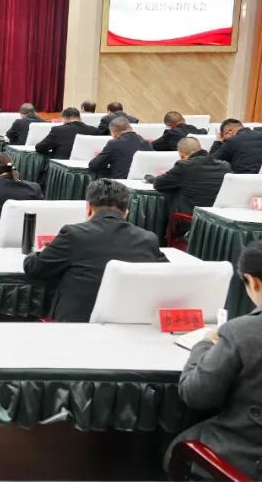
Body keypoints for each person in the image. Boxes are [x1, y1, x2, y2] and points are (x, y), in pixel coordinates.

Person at [167, 240, 262, 480]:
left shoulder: (242, 332)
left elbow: (195, 395)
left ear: (253, 282)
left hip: (244, 460)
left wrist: (205, 344)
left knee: (180, 446)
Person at [22, 179, 167, 322]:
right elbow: (165, 274)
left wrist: (43, 251)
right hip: (130, 324)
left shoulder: (73, 234)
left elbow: (34, 268)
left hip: (74, 325)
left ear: (89, 208)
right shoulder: (148, 239)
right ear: (126, 213)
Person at [152, 137, 231, 222]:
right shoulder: (225, 166)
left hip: (189, 219)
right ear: (200, 148)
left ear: (182, 155)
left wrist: (151, 178)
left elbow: (158, 184)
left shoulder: (184, 166)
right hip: (216, 221)